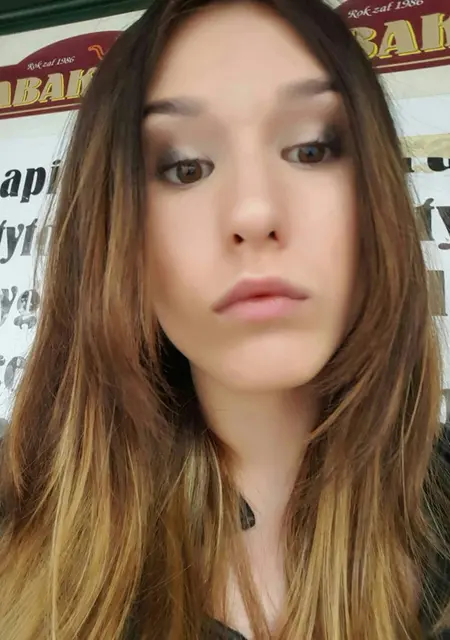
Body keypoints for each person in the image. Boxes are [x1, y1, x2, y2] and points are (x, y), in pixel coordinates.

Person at [0, 0, 449, 637]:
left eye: (311, 150)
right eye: (186, 168)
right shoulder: (19, 523)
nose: (253, 212)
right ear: (113, 234)